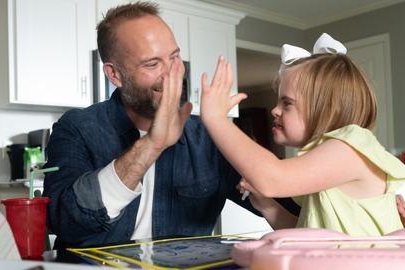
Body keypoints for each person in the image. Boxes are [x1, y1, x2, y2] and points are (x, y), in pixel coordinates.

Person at [42, 2, 270, 249]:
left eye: (174, 57)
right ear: (114, 75)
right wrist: (152, 145)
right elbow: (63, 221)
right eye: (152, 64)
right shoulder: (76, 128)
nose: (172, 74)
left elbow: (280, 204)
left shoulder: (208, 135)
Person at [199, 33, 405, 236]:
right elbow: (306, 235)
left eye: (287, 103)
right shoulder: (325, 164)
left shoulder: (349, 147)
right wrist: (269, 208)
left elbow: (272, 178)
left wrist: (216, 119)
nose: (275, 110)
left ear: (327, 109)